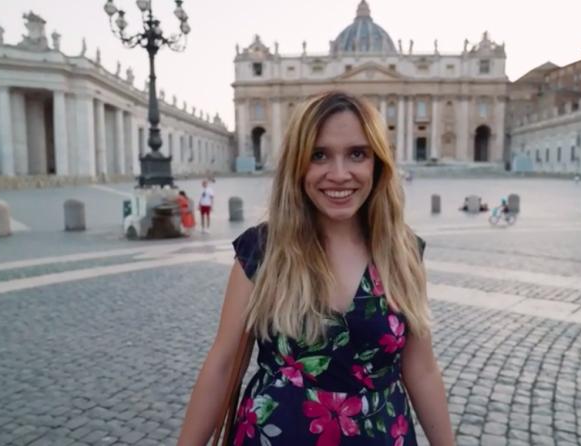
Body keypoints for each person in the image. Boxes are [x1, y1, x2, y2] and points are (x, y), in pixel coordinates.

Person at [177, 91, 454, 446]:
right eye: (319, 155)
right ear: (298, 164)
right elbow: (223, 362)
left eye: (357, 154)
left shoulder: (404, 252)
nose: (339, 175)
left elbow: (421, 369)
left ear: (378, 164)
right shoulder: (263, 250)